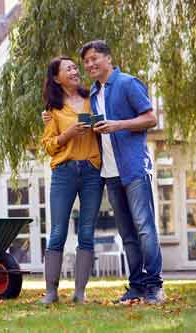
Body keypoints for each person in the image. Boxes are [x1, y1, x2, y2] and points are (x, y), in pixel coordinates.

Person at [42, 41, 165, 304]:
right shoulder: (92, 94)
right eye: (84, 62)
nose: (87, 66)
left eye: (92, 59)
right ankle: (136, 286)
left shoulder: (123, 85)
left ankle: (153, 285)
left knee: (144, 228)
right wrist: (61, 128)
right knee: (127, 233)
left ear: (108, 58)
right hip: (106, 172)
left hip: (126, 169)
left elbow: (151, 119)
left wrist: (118, 125)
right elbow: (52, 141)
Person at [40, 56, 104, 304]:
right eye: (69, 69)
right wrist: (67, 134)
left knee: (87, 232)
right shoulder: (53, 110)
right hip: (64, 171)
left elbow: (106, 123)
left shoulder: (93, 99)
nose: (76, 71)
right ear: (57, 78)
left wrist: (98, 126)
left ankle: (80, 293)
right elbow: (49, 146)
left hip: (91, 170)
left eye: (75, 67)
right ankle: (51, 292)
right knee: (57, 232)